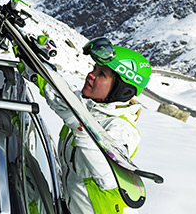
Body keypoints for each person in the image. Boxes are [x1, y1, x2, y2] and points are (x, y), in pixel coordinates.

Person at [30, 36, 151, 214]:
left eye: (102, 74)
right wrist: (35, 66)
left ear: (122, 89)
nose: (91, 75)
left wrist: (79, 124)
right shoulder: (88, 107)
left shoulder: (121, 129)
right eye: (95, 68)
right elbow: (60, 96)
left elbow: (108, 176)